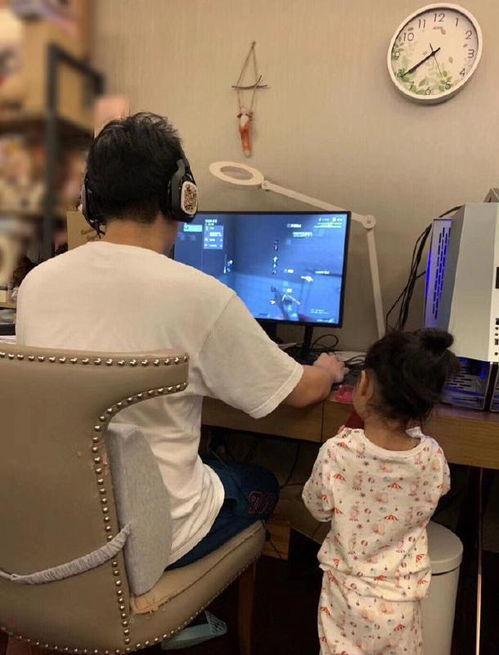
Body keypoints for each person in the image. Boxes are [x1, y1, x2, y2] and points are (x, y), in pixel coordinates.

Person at [15, 112, 346, 569]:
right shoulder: (201, 296)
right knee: (263, 483)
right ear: (182, 196)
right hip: (155, 541)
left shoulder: (36, 283)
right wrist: (327, 371)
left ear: (90, 201)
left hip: (61, 524)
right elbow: (301, 392)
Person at [303, 329, 459, 655]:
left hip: (345, 595)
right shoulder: (432, 456)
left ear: (365, 385)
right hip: (402, 600)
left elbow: (316, 507)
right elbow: (439, 490)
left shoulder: (337, 451)